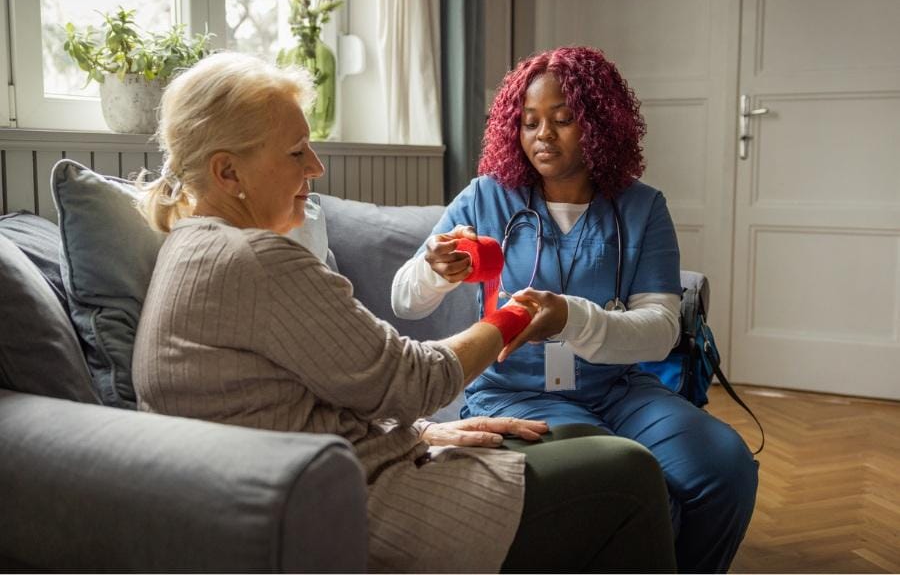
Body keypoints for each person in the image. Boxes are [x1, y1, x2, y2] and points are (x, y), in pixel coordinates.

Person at [131, 52, 676, 573]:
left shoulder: (190, 247)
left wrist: (424, 433)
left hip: (336, 468)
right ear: (228, 174)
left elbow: (294, 402)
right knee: (629, 473)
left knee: (587, 448)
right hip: (366, 501)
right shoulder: (258, 260)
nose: (317, 167)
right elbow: (415, 378)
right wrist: (519, 316)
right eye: (298, 152)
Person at [392, 46, 758, 573]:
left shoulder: (641, 207)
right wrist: (434, 268)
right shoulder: (486, 198)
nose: (544, 134)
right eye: (529, 121)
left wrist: (571, 317)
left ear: (599, 125)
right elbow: (404, 298)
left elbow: (658, 330)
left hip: (619, 389)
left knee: (724, 467)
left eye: (563, 120)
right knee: (613, 473)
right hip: (515, 392)